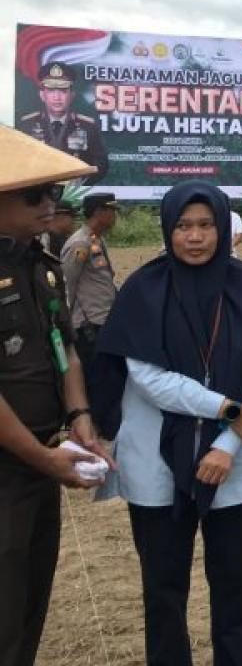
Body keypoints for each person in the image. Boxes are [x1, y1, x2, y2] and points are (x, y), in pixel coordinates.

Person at [92, 181, 242, 666]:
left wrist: (227, 447)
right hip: (156, 463)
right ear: (167, 229)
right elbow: (148, 378)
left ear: (223, 227)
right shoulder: (143, 290)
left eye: (205, 225)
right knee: (163, 591)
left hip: (234, 467)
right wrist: (227, 411)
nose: (194, 237)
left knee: (235, 588)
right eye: (182, 226)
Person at [0, 124, 111, 666]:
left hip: (41, 460)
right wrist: (44, 457)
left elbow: (62, 345)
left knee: (29, 600)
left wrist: (80, 415)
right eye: (34, 195)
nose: (50, 204)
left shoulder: (39, 266)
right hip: (13, 465)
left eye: (53, 193)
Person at [17, 61, 109, 184]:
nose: (57, 97)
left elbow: (101, 164)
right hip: (36, 194)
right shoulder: (27, 126)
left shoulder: (87, 126)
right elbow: (18, 161)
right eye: (51, 91)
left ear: (72, 95)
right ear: (42, 95)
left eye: (63, 91)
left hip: (73, 195)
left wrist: (81, 181)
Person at [60, 192, 119, 369]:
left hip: (102, 321)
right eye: (112, 210)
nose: (115, 215)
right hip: (88, 326)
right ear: (98, 212)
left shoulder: (95, 239)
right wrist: (65, 326)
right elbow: (67, 284)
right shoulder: (80, 244)